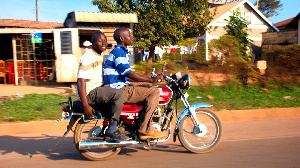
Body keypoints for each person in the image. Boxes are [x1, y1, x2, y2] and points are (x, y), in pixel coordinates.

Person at [103, 27, 165, 140]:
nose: (132, 37)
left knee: (149, 87)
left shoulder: (120, 52)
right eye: (129, 35)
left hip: (118, 86)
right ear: (122, 38)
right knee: (155, 91)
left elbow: (126, 75)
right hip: (118, 89)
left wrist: (148, 81)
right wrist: (150, 80)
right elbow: (129, 74)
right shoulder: (119, 52)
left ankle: (137, 121)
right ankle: (145, 129)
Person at [76, 31, 129, 141]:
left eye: (105, 41)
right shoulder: (88, 57)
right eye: (100, 41)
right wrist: (86, 105)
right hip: (90, 93)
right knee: (119, 94)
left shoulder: (100, 55)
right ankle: (112, 129)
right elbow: (81, 81)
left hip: (98, 90)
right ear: (93, 42)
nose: (103, 43)